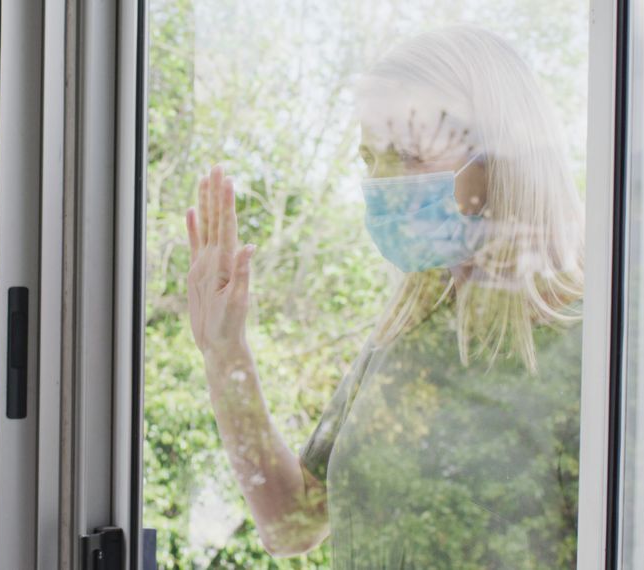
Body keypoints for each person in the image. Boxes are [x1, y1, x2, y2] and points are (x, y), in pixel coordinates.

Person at [184, 25, 585, 569]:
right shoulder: (406, 332)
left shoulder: (589, 348)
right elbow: (291, 523)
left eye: (407, 154)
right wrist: (223, 351)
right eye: (370, 159)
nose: (382, 184)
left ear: (497, 162)